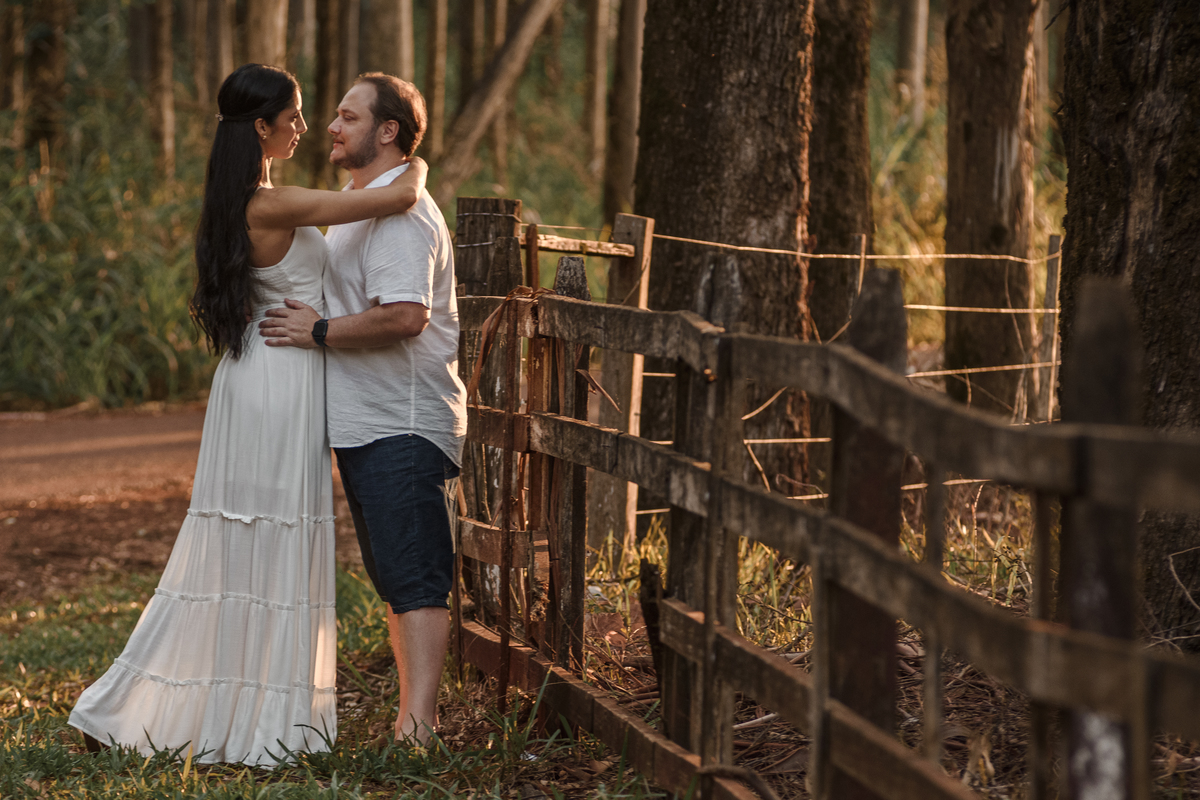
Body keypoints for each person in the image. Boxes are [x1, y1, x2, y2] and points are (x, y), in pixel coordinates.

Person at [67, 63, 429, 765]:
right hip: (279, 380)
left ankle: (230, 705)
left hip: (258, 374)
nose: (304, 126)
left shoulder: (245, 198)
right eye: (292, 116)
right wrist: (415, 163)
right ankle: (198, 712)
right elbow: (394, 198)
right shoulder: (270, 203)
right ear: (261, 128)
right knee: (263, 540)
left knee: (248, 547)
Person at [257, 73, 465, 746]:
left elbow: (406, 315)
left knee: (415, 572)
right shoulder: (365, 202)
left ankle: (419, 728)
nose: (330, 127)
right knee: (394, 575)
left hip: (400, 419)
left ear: (388, 132)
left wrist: (318, 332)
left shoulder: (400, 214)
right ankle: (412, 720)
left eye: (347, 116)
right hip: (368, 421)